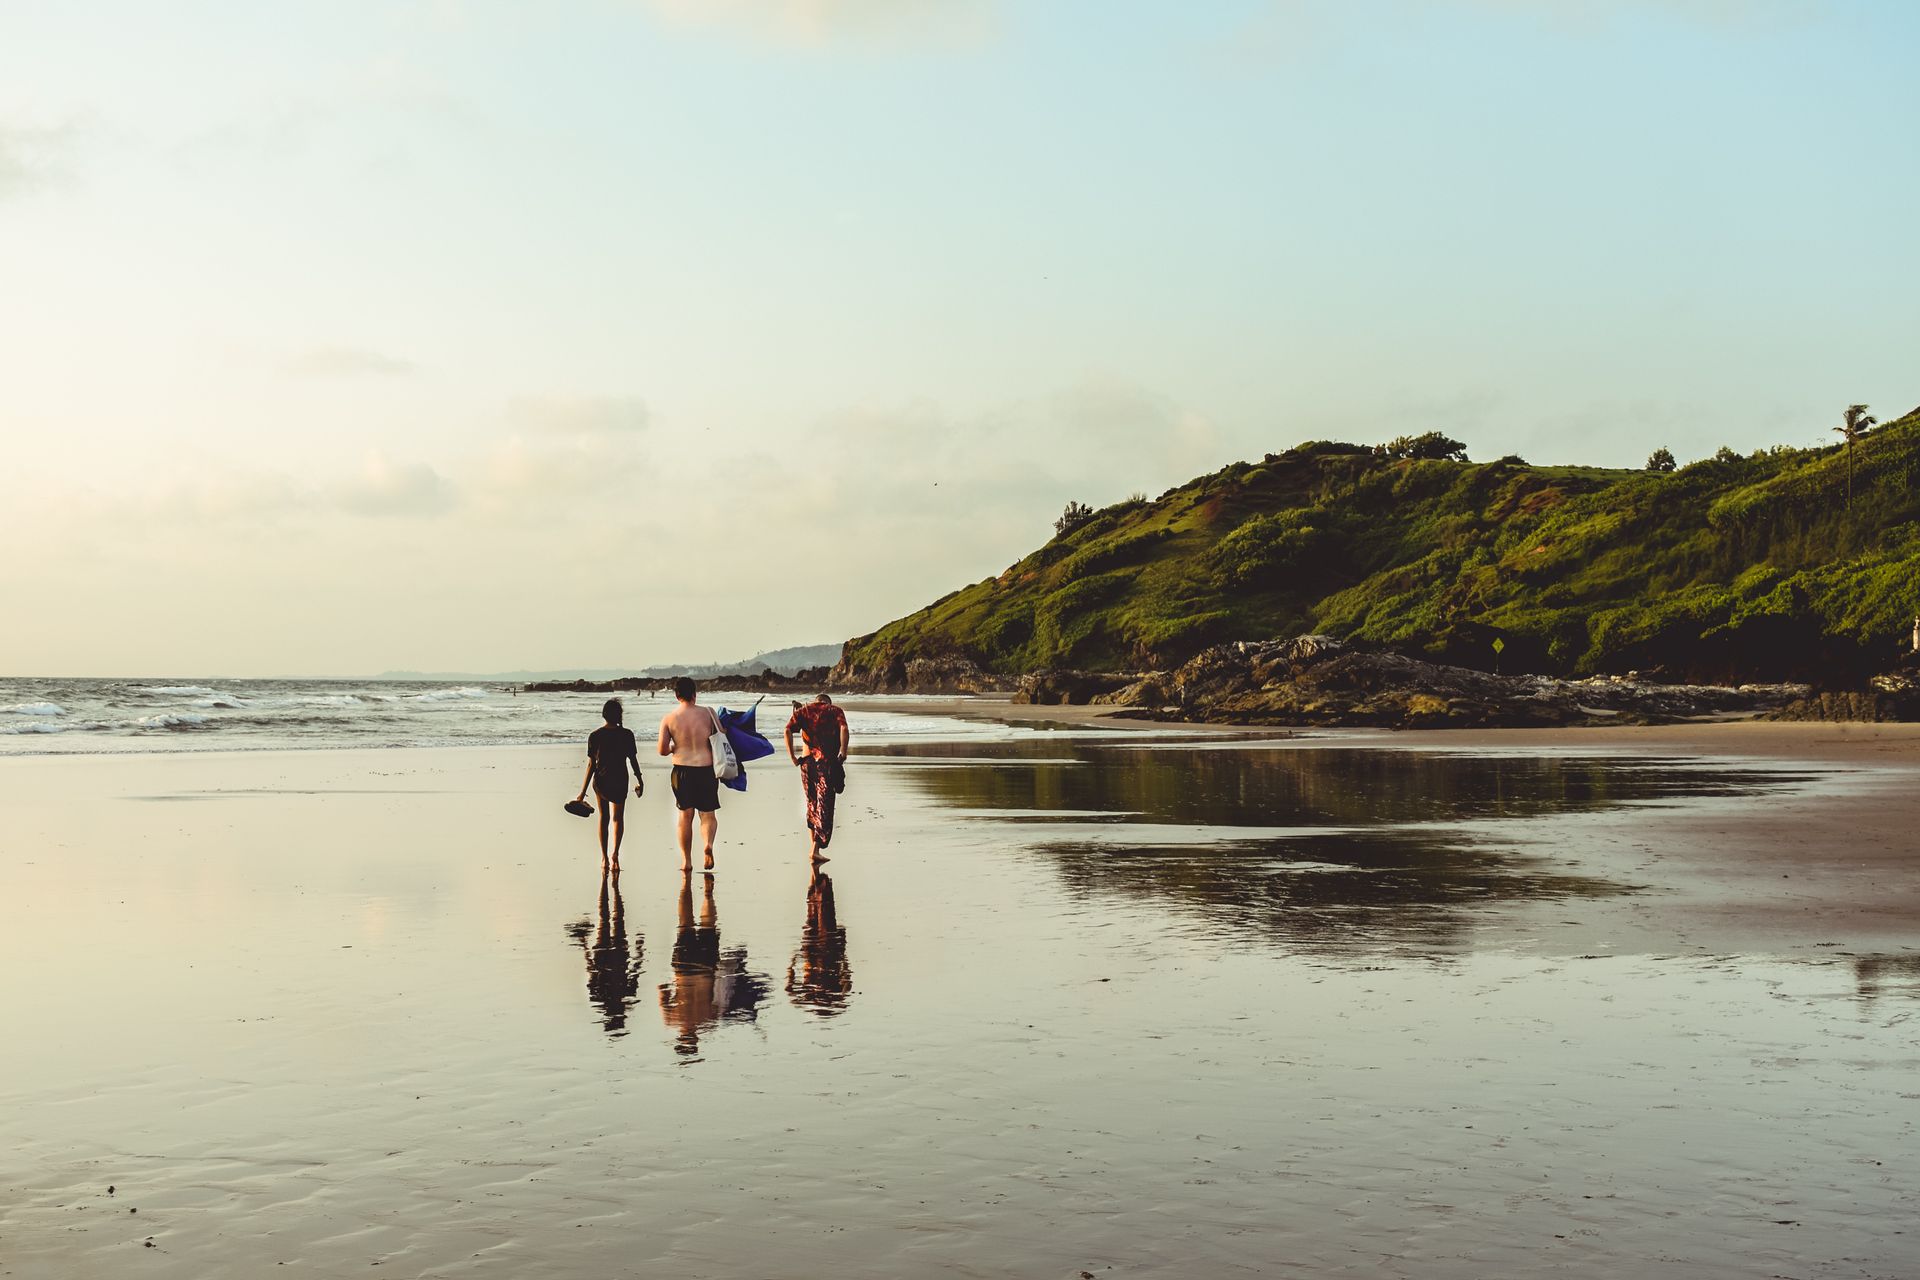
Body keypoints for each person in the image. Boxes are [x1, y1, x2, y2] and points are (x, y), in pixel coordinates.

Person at [658, 677, 722, 870]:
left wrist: (674, 747)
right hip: (706, 769)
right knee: (708, 814)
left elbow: (662, 749)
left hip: (682, 771)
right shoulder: (709, 713)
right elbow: (722, 735)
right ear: (695, 694)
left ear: (677, 696)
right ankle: (708, 845)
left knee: (685, 817)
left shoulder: (669, 718)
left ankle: (686, 860)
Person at [576, 698, 642, 870]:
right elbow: (633, 760)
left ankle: (604, 858)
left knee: (603, 818)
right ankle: (615, 855)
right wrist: (640, 779)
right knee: (618, 819)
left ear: (604, 715)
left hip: (601, 782)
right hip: (620, 780)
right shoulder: (627, 734)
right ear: (619, 715)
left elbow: (591, 765)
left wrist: (582, 793)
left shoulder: (595, 736)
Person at [784, 693, 849, 863]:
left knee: (812, 804)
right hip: (825, 765)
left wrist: (792, 756)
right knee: (825, 807)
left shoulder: (804, 711)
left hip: (806, 766)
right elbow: (844, 729)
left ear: (816, 701)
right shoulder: (834, 711)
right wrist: (844, 751)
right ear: (827, 702)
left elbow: (787, 730)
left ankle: (813, 849)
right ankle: (814, 850)